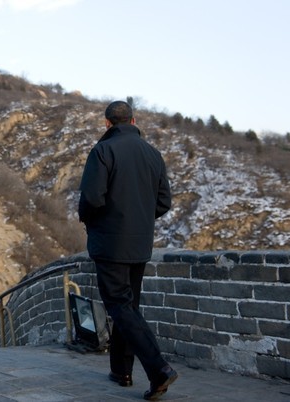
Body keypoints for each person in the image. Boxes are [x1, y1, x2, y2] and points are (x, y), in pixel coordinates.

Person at [78, 101, 178, 400]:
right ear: (133, 120)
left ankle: (158, 367)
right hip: (139, 243)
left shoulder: (103, 151)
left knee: (119, 305)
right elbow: (164, 202)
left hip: (110, 242)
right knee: (128, 305)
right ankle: (121, 371)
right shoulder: (152, 154)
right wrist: (140, 220)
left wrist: (91, 221)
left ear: (107, 124)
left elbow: (92, 198)